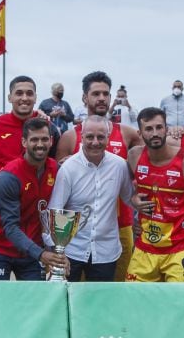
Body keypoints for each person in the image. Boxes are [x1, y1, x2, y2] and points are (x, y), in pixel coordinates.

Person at [56, 71, 142, 281]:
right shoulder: (69, 136)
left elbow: (150, 162)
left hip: (117, 227)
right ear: (85, 98)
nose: (102, 98)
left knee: (116, 289)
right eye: (96, 93)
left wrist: (178, 132)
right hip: (79, 232)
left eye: (106, 94)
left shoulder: (127, 133)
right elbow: (57, 181)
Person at [127, 107, 184, 282]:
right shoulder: (134, 156)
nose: (155, 133)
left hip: (181, 249)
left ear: (166, 129)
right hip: (146, 247)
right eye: (148, 129)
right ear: (140, 133)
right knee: (134, 301)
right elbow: (128, 190)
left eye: (159, 127)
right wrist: (133, 200)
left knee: (181, 304)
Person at [49, 115, 135, 282]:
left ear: (108, 138)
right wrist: (57, 253)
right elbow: (55, 211)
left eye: (100, 137)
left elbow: (130, 199)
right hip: (72, 251)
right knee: (68, 301)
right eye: (90, 137)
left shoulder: (119, 166)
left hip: (106, 252)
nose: (95, 142)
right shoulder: (68, 169)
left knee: (101, 303)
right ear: (82, 137)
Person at [0, 117, 67, 280]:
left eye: (44, 139)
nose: (40, 144)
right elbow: (10, 227)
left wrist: (58, 253)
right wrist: (41, 254)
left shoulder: (56, 169)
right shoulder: (8, 177)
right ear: (24, 142)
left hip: (31, 249)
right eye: (34, 139)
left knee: (35, 302)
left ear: (51, 141)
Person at [0, 75, 57, 188]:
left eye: (29, 93)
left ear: (35, 98)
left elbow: (55, 167)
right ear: (9, 97)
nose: (24, 98)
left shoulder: (49, 128)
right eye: (19, 93)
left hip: (35, 202)